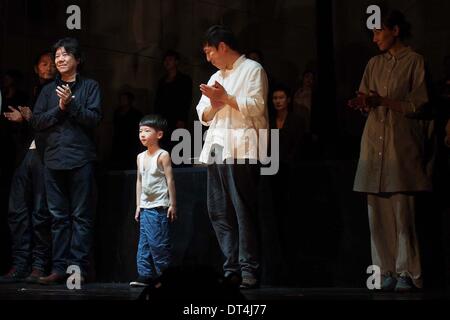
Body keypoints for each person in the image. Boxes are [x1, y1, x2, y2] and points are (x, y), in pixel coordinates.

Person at [348, 10, 434, 292]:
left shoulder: (414, 61)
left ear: (395, 30)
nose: (374, 39)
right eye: (372, 34)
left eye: (378, 32)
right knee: (377, 214)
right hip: (375, 142)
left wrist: (382, 100)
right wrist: (363, 103)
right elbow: (366, 96)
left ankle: (407, 272)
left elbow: (419, 104)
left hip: (400, 144)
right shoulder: (373, 63)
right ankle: (384, 270)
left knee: (402, 214)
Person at [196, 25, 269, 289]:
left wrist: (226, 98)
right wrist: (214, 106)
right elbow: (202, 114)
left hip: (242, 148)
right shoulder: (216, 75)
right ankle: (231, 267)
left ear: (222, 47)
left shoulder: (252, 70)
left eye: (209, 52)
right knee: (218, 211)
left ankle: (248, 268)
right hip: (216, 148)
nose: (209, 58)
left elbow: (258, 106)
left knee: (242, 210)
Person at [31, 37, 102, 285]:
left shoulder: (90, 86)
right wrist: (60, 108)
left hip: (80, 158)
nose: (60, 59)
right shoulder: (48, 90)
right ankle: (59, 268)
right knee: (58, 218)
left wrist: (70, 104)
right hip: (52, 159)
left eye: (65, 55)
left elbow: (94, 119)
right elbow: (37, 122)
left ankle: (78, 269)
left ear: (77, 59)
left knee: (81, 216)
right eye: (57, 55)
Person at [0, 52, 56, 284]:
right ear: (36, 68)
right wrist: (20, 120)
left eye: (52, 64)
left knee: (41, 211)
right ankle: (20, 263)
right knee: (17, 209)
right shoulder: (31, 91)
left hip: (45, 155)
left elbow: (53, 121)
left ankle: (39, 264)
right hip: (25, 153)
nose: (49, 67)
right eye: (44, 64)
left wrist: (30, 118)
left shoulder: (58, 90)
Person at [130, 114, 177, 287]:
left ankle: (164, 275)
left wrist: (172, 204)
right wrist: (138, 205)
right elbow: (139, 181)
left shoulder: (163, 155)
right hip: (144, 207)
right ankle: (145, 274)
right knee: (143, 244)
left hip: (159, 207)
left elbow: (170, 180)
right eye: (140, 131)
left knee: (158, 243)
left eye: (147, 131)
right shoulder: (140, 157)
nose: (142, 134)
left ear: (159, 134)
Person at [154, 50, 192, 150]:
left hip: (177, 119)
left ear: (176, 62)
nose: (167, 62)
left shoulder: (184, 79)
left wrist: (182, 119)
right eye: (165, 60)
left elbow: (186, 100)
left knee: (177, 146)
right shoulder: (162, 81)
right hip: (162, 119)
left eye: (170, 60)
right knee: (163, 145)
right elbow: (158, 101)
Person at [111, 91, 143, 170]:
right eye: (121, 99)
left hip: (132, 142)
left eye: (124, 99)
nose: (122, 101)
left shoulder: (136, 114)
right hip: (119, 141)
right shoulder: (117, 112)